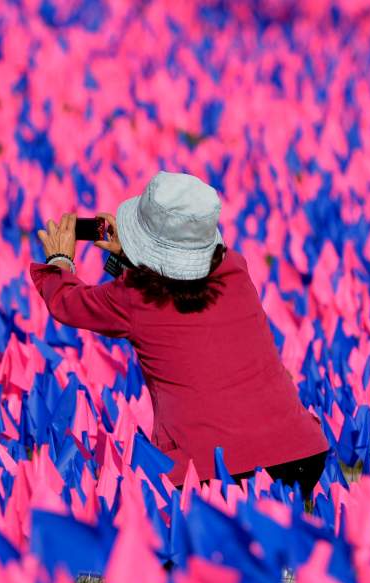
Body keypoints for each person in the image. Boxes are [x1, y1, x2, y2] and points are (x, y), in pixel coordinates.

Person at [30, 171, 329, 497]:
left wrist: (59, 261)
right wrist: (125, 254)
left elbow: (68, 304)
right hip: (302, 458)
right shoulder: (237, 270)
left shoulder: (133, 296)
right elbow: (171, 278)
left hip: (212, 473)